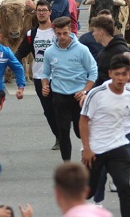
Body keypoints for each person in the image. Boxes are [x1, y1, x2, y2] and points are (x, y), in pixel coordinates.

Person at [80, 54, 130, 217]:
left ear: (129, 74)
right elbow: (83, 120)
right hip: (96, 148)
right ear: (110, 74)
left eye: (124, 74)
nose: (120, 78)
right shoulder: (96, 94)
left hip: (117, 147)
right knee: (88, 191)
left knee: (124, 187)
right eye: (117, 74)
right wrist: (86, 148)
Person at [42, 16, 97, 161]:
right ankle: (67, 164)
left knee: (80, 132)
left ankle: (90, 154)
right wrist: (45, 85)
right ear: (54, 33)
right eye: (59, 34)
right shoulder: (50, 52)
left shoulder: (82, 50)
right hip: (59, 96)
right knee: (63, 132)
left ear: (70, 31)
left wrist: (85, 91)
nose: (62, 37)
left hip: (79, 96)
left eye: (65, 33)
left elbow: (93, 72)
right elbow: (45, 73)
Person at [15, 0, 58, 150]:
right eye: (39, 10)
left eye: (44, 10)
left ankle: (63, 135)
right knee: (48, 111)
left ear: (50, 12)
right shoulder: (31, 34)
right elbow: (20, 53)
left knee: (60, 108)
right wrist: (9, 64)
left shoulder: (57, 32)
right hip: (40, 77)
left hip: (58, 78)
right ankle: (59, 136)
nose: (41, 13)